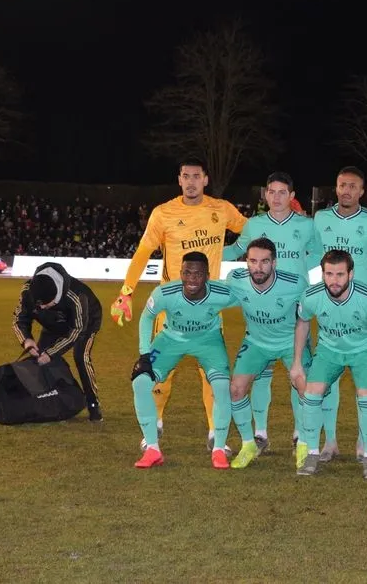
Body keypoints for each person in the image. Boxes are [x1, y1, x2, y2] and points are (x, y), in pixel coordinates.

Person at [110, 158, 248, 453]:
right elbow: (142, 252)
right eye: (186, 176)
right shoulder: (163, 214)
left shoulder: (221, 209)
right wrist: (126, 292)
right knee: (160, 373)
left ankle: (215, 431)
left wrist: (278, 219)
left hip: (209, 305)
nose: (191, 182)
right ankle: (153, 425)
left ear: (206, 180)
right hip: (170, 306)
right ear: (179, 179)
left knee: (212, 374)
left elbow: (250, 231)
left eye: (196, 176)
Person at [289, 249, 367, 479]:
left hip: (363, 350)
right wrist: (297, 362)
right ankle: (312, 454)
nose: (334, 281)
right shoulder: (312, 295)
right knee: (312, 394)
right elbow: (303, 323)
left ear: (351, 274)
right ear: (322, 273)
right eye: (329, 274)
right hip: (329, 350)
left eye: (339, 274)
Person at [223, 172, 321, 452]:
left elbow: (318, 254)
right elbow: (237, 250)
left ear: (292, 197)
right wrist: (204, 252)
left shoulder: (306, 225)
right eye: (272, 192)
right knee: (261, 374)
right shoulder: (254, 225)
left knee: (297, 374)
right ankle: (261, 433)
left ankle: (299, 431)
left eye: (282, 192)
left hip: (293, 307)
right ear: (265, 195)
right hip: (262, 305)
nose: (276, 197)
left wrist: (296, 274)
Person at [312, 166, 367, 462]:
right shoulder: (320, 219)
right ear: (335, 188)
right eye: (341, 184)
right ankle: (330, 442)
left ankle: (363, 442)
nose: (346, 190)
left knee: (365, 381)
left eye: (353, 186)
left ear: (361, 191)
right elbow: (307, 254)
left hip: (363, 310)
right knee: (327, 380)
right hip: (329, 307)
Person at [130, 252, 238, 469]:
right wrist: (144, 354)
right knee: (140, 382)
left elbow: (252, 296)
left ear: (207, 275)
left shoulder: (223, 293)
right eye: (187, 273)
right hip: (170, 340)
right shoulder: (164, 293)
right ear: (180, 273)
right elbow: (147, 316)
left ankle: (218, 449)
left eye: (198, 274)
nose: (191, 279)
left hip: (208, 341)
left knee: (221, 385)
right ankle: (152, 448)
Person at [223, 237, 311, 469]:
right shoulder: (235, 280)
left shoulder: (296, 284)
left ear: (274, 263)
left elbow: (307, 317)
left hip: (289, 342)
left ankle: (304, 444)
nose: (258, 267)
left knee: (305, 386)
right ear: (246, 262)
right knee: (235, 389)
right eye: (252, 261)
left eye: (264, 261)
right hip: (256, 341)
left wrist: (299, 358)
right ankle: (248, 444)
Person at [12, 261, 103, 421]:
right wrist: (27, 340)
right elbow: (19, 318)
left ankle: (93, 404)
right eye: (39, 306)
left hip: (85, 323)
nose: (42, 308)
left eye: (47, 304)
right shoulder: (28, 291)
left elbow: (76, 331)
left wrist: (51, 353)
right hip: (52, 324)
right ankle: (49, 404)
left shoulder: (76, 296)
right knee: (39, 361)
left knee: (81, 357)